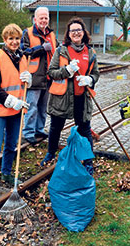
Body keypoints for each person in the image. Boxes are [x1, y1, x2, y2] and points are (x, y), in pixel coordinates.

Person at [40, 17, 100, 175]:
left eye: (79, 30)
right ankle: (50, 153)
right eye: (73, 30)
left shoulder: (91, 52)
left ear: (83, 32)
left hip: (82, 98)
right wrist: (67, 71)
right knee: (55, 128)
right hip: (62, 98)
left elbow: (96, 73)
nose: (76, 33)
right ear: (68, 33)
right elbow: (51, 72)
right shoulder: (61, 51)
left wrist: (90, 79)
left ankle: (87, 161)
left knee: (85, 130)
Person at [0, 23, 32, 198]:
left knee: (12, 145)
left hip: (16, 110)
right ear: (5, 40)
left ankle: (6, 173)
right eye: (11, 38)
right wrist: (11, 101)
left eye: (17, 38)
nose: (14, 42)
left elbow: (21, 83)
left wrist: (29, 80)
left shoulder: (22, 57)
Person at [20, 6, 58, 144]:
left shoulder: (51, 35)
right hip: (34, 78)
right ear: (35, 19)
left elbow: (57, 52)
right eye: (41, 18)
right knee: (31, 107)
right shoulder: (27, 33)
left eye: (46, 18)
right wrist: (41, 49)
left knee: (43, 108)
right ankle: (28, 132)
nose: (43, 20)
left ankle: (39, 130)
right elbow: (22, 51)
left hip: (48, 78)